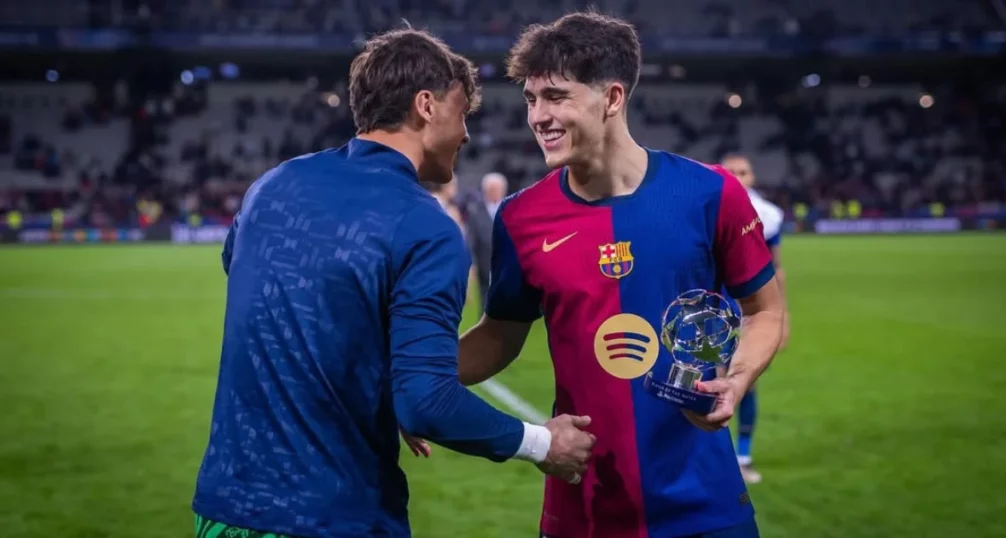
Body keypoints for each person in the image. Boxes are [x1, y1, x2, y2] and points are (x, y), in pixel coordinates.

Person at [191, 27, 595, 538]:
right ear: (426, 106)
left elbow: (261, 280)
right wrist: (543, 443)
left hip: (222, 507)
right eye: (461, 112)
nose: (466, 133)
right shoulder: (424, 227)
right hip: (332, 516)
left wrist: (382, 374)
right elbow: (428, 403)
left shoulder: (272, 185)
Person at [457, 12, 785, 538]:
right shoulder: (521, 218)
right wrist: (409, 377)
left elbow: (766, 311)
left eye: (556, 96)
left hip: (705, 505)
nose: (538, 116)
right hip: (581, 510)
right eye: (531, 99)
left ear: (612, 98)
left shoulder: (710, 193)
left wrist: (738, 378)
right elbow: (498, 336)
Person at [720, 153, 789, 485]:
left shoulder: (769, 216)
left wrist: (782, 317)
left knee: (747, 383)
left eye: (742, 171)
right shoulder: (707, 207)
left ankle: (742, 456)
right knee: (710, 383)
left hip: (752, 310)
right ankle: (713, 458)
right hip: (715, 310)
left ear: (752, 177)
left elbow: (776, 269)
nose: (736, 176)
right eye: (730, 171)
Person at [465, 172, 509, 308]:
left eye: (497, 189)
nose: (494, 193)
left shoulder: (511, 209)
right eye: (491, 189)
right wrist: (471, 264)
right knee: (486, 302)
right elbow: (471, 240)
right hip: (485, 266)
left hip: (507, 266)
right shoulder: (475, 211)